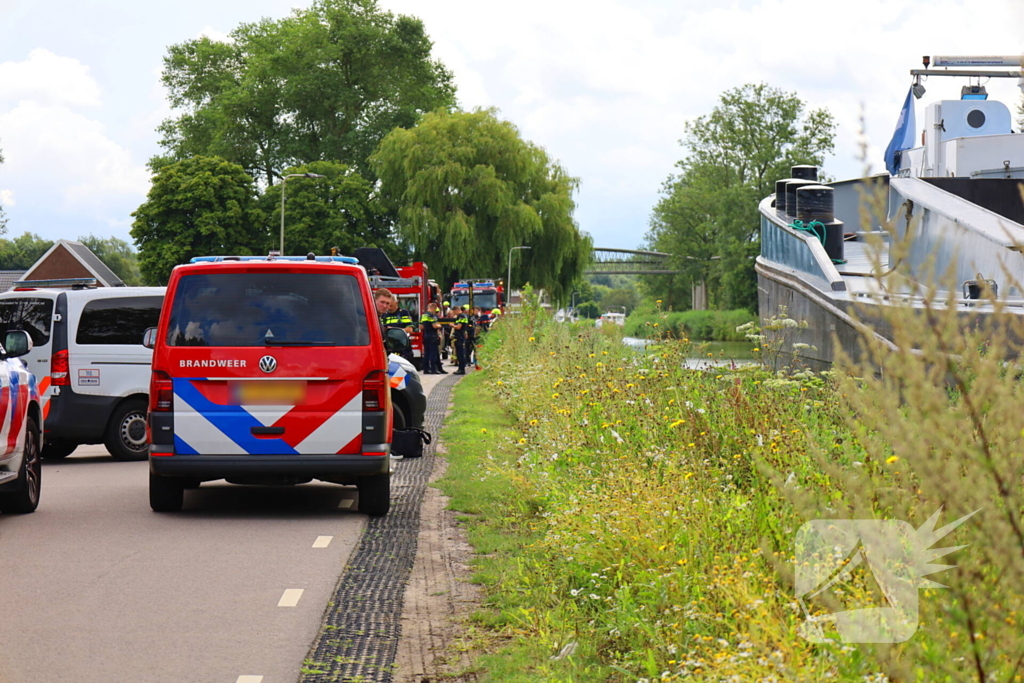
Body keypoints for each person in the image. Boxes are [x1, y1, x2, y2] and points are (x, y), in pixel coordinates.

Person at [376, 289, 416, 364]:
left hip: (401, 347)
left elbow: (410, 329)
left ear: (396, 303)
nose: (386, 306)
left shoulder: (403, 313)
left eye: (388, 304)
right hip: (387, 349)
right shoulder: (383, 315)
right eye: (382, 302)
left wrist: (394, 332)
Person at [419, 301, 445, 374]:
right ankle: (433, 369)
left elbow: (421, 327)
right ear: (433, 308)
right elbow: (435, 326)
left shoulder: (423, 316)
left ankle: (426, 369)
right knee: (433, 353)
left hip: (426, 335)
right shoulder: (431, 316)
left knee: (426, 353)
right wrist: (440, 325)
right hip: (432, 336)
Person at [452, 305, 470, 374]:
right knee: (460, 353)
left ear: (456, 310)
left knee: (460, 354)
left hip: (459, 337)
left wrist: (452, 325)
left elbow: (459, 327)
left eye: (454, 312)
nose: (454, 314)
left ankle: (461, 369)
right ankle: (460, 368)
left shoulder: (461, 316)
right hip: (461, 336)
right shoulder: (463, 316)